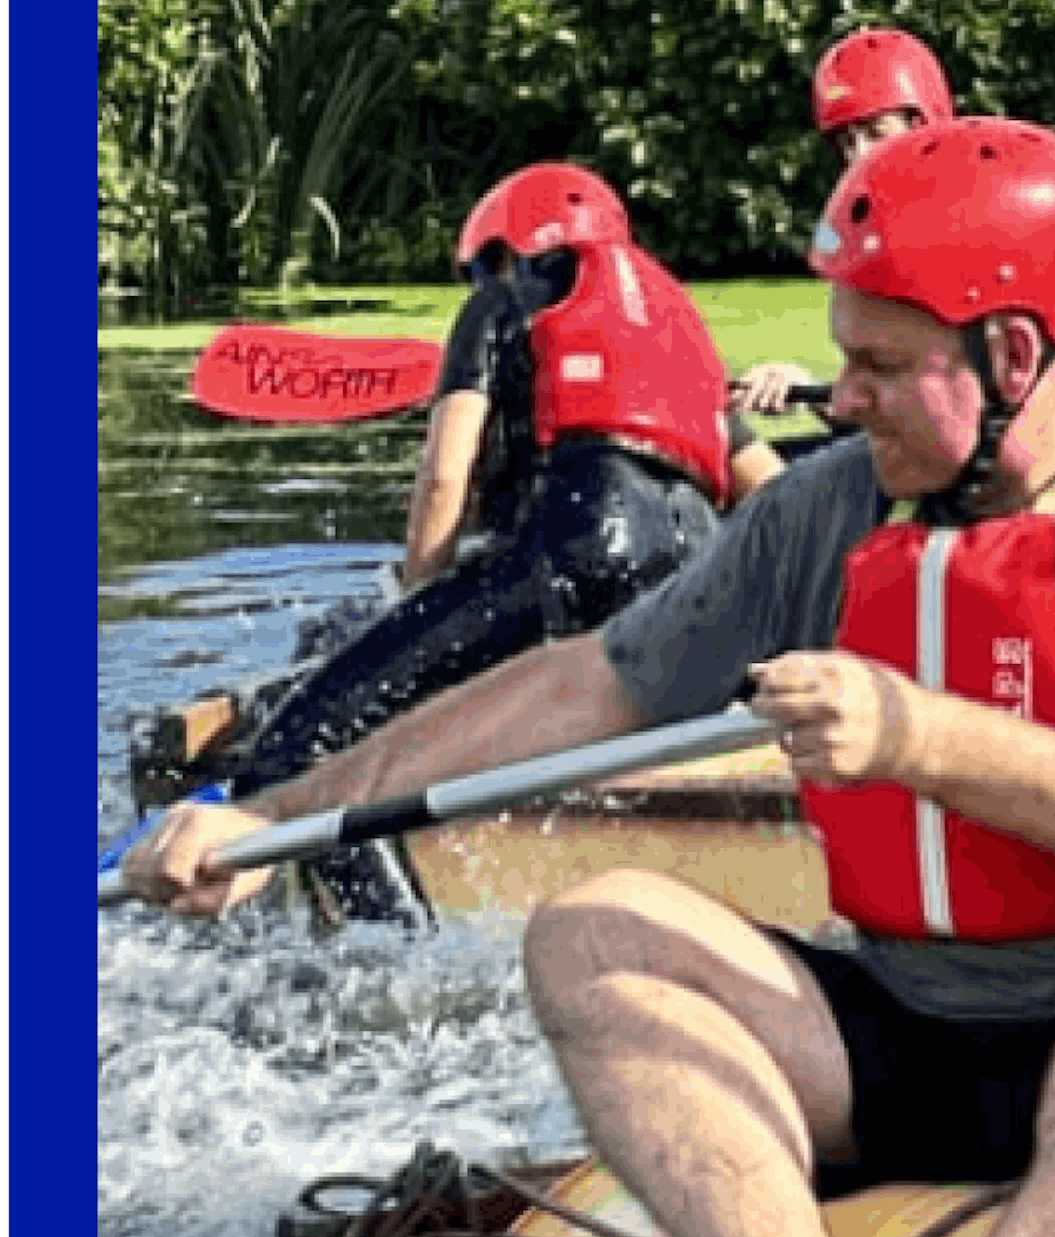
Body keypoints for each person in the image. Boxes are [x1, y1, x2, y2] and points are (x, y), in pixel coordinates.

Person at [129, 119, 1055, 1237]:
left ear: (1010, 354)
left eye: (881, 363)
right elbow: (582, 683)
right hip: (922, 1024)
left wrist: (919, 737)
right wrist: (280, 816)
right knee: (591, 933)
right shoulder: (828, 509)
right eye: (842, 357)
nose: (839, 397)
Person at [230, 163, 732, 919]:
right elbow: (760, 478)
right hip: (700, 576)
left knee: (294, 761)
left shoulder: (499, 304)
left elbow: (443, 479)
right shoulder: (675, 330)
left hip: (585, 550)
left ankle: (383, 971)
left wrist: (411, 606)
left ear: (501, 252)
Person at [729, 27, 962, 493]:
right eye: (846, 142)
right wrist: (803, 388)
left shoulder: (957, 233)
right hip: (904, 450)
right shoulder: (876, 237)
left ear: (924, 127)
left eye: (876, 134)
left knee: (745, 467)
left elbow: (936, 427)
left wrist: (811, 391)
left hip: (948, 475)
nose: (858, 157)